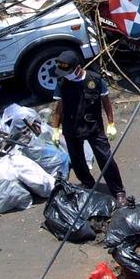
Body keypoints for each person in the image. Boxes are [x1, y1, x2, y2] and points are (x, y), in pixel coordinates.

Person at [49, 50, 128, 207]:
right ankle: (88, 184)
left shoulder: (95, 80)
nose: (65, 75)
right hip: (72, 127)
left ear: (78, 68)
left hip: (94, 126)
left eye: (67, 71)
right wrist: (55, 129)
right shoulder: (62, 83)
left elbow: (106, 102)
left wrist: (111, 124)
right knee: (77, 160)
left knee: (106, 159)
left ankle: (118, 191)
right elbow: (59, 107)